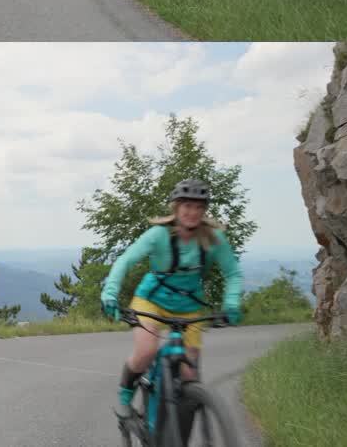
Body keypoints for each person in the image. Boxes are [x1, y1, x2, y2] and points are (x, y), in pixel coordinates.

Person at [101, 179, 243, 420]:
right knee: (146, 352)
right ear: (176, 208)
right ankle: (127, 387)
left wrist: (232, 304)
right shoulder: (158, 235)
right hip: (151, 301)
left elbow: (232, 273)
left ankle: (176, 433)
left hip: (190, 308)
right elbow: (125, 260)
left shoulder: (214, 238)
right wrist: (110, 294)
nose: (193, 212)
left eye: (199, 207)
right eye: (187, 206)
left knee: (190, 376)